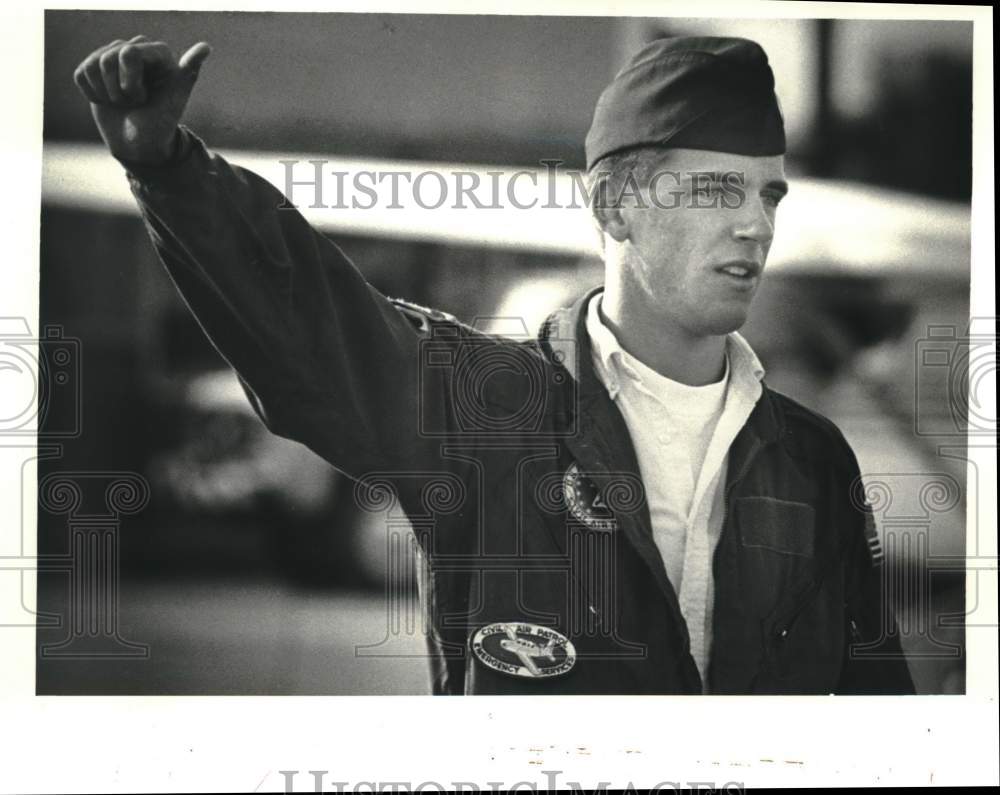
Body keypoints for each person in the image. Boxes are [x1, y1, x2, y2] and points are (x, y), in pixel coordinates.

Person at [73, 33, 915, 694]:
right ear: (616, 205)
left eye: (768, 195)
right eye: (716, 191)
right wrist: (170, 172)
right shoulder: (485, 410)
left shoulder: (812, 463)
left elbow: (880, 722)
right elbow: (310, 324)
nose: (757, 227)